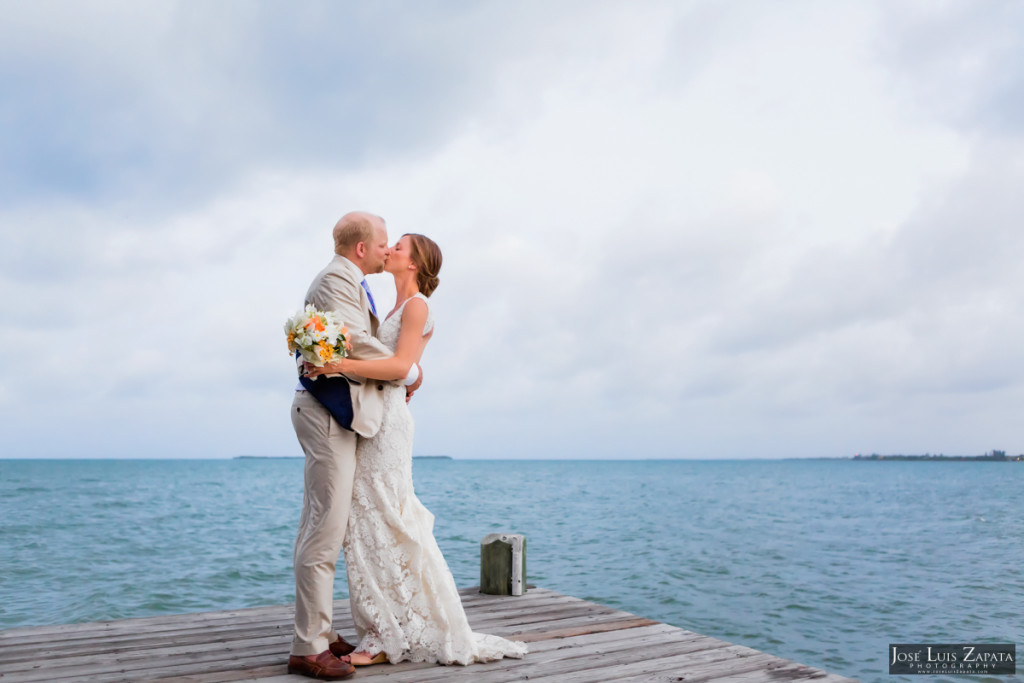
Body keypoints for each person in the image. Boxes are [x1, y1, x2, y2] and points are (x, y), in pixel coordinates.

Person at [306, 233, 528, 667]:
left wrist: (338, 365)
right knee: (367, 521)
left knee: (388, 517)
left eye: (400, 246)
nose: (391, 250)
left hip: (388, 425)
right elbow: (404, 366)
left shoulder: (417, 305)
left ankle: (387, 635)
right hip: (374, 417)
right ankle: (385, 627)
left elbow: (400, 366)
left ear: (414, 263)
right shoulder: (388, 308)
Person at [288, 211, 420, 681]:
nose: (387, 250)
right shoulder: (336, 281)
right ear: (361, 248)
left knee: (325, 526)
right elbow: (358, 344)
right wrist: (410, 369)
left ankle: (320, 634)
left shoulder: (353, 281)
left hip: (336, 415)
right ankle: (308, 647)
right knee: (325, 530)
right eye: (383, 243)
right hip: (325, 414)